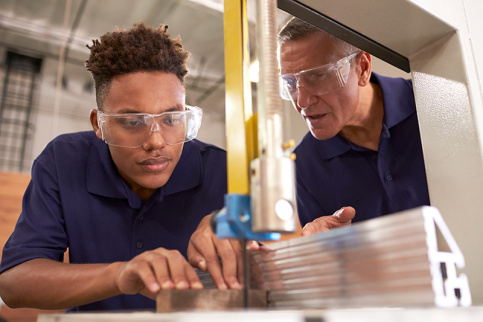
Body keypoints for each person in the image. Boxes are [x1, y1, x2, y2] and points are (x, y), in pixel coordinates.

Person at [0, 23, 227, 312]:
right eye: (133, 122)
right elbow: (14, 284)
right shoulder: (64, 160)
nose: (156, 141)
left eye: (171, 119)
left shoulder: (224, 170)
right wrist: (119, 274)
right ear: (99, 124)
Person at [278, 17, 430, 229]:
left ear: (362, 68)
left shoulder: (431, 106)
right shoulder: (306, 164)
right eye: (290, 83)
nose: (302, 102)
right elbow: (332, 257)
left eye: (318, 76)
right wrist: (321, 251)